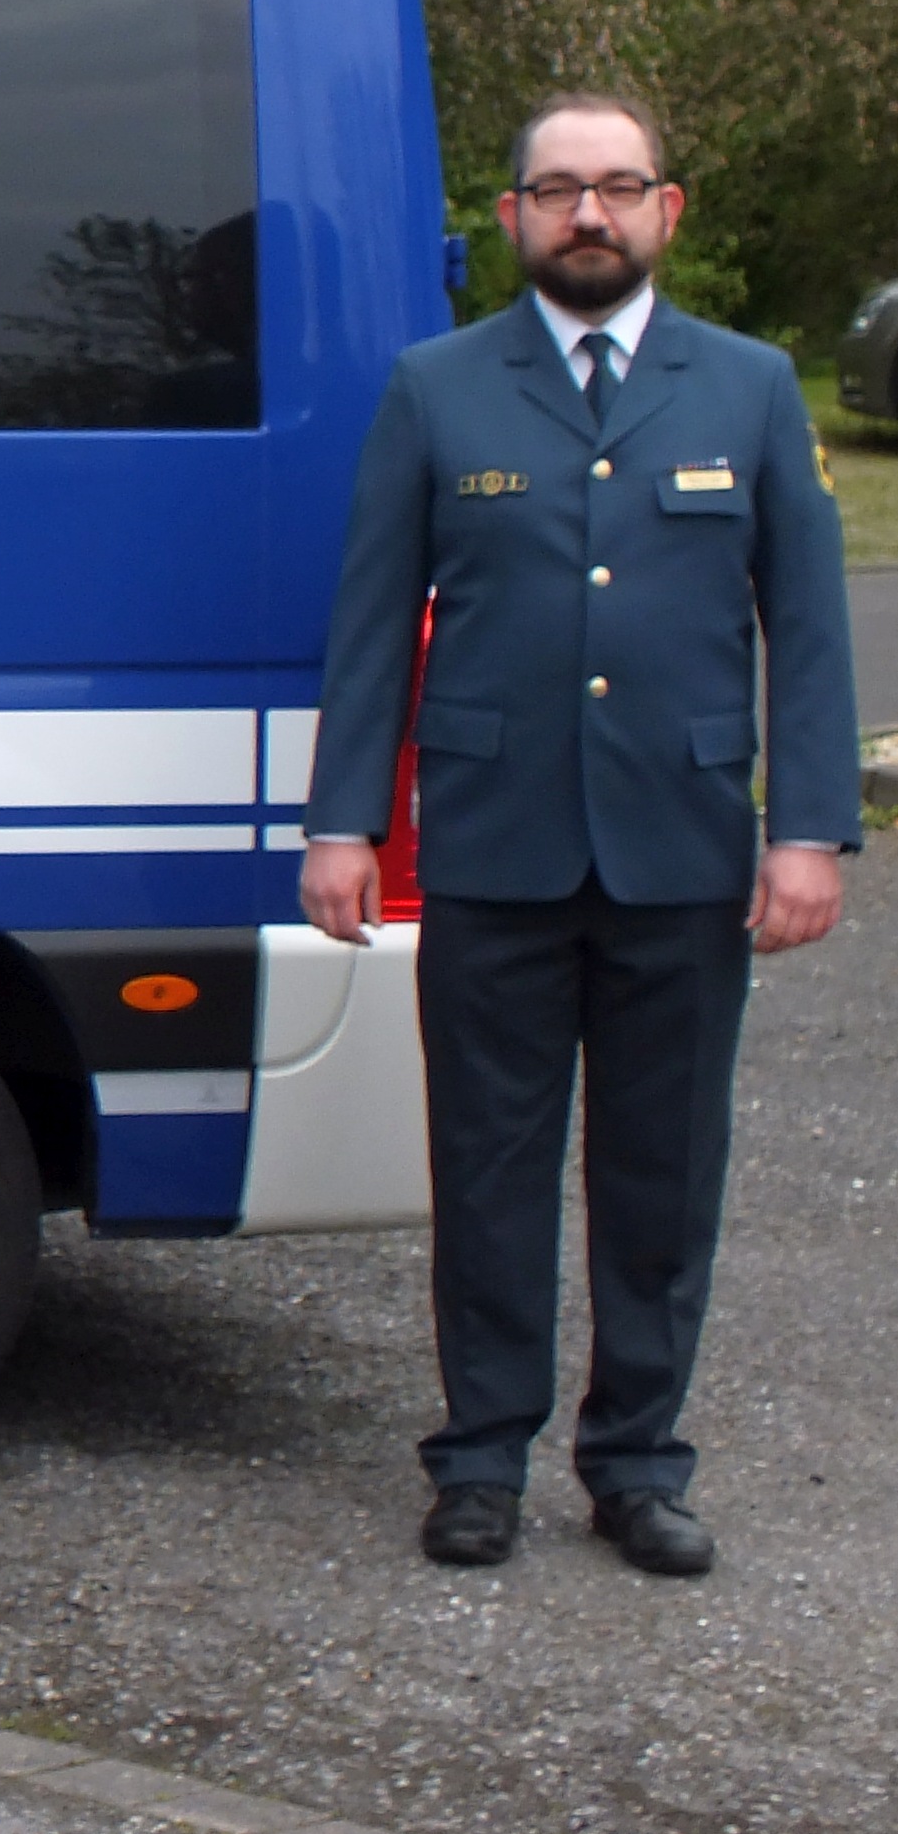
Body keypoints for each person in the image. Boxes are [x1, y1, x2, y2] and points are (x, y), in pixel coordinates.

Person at [302, 92, 854, 1580]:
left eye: (616, 187)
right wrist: (344, 822)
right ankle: (478, 1459)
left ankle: (635, 1464)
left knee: (661, 1177)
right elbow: (369, 627)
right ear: (512, 220)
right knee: (487, 1171)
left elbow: (803, 629)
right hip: (492, 847)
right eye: (557, 190)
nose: (587, 214)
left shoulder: (743, 386)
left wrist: (807, 832)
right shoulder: (436, 387)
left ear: (665, 208)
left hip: (680, 851)